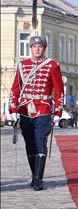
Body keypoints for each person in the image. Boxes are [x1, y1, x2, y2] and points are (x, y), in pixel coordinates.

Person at [9, 35, 64, 191]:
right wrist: (13, 109)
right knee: (29, 144)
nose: (37, 49)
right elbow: (15, 89)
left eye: (40, 47)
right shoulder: (22, 65)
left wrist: (58, 111)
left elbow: (59, 89)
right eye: (34, 46)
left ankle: (39, 179)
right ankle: (34, 175)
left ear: (44, 48)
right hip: (25, 110)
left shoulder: (52, 65)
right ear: (31, 48)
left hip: (43, 109)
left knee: (40, 141)